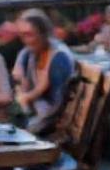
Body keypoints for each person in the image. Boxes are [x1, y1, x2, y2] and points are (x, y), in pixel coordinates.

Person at [12, 9, 77, 137]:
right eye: (22, 35)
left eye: (29, 34)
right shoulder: (28, 53)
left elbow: (57, 108)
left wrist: (26, 102)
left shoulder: (59, 59)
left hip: (53, 123)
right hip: (35, 114)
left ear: (44, 33)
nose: (25, 40)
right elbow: (18, 81)